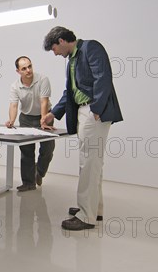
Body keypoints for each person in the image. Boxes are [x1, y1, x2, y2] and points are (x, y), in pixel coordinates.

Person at [41, 27, 123, 230]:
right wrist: (54, 113)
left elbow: (103, 77)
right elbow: (70, 91)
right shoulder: (73, 60)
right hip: (84, 112)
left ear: (61, 41)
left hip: (93, 112)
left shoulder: (90, 48)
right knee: (91, 163)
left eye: (54, 49)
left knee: (89, 163)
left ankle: (86, 216)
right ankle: (94, 209)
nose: (56, 54)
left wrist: (97, 108)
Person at [6, 56, 55, 192]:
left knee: (48, 150)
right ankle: (28, 183)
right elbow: (14, 105)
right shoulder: (15, 86)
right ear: (18, 71)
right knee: (26, 151)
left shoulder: (43, 80)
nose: (28, 70)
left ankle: (39, 172)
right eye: (24, 68)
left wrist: (44, 119)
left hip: (45, 116)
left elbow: (44, 101)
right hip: (26, 119)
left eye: (30, 66)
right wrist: (11, 120)